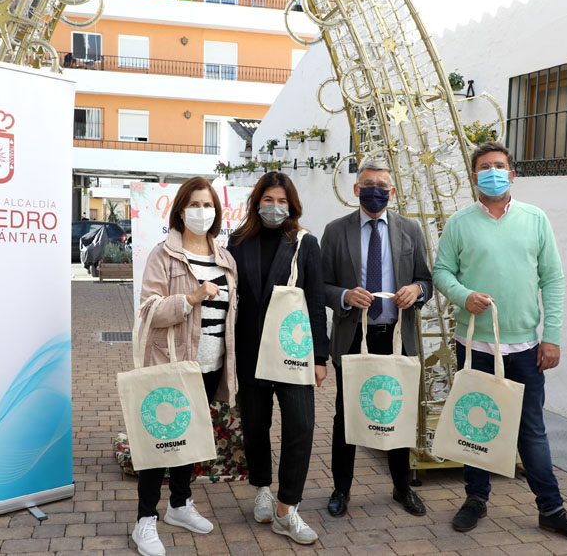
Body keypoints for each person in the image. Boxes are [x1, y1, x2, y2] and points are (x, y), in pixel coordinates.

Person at [432, 141, 567, 549]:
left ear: (512, 174)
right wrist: (463, 295)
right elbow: (441, 271)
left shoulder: (535, 219)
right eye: (485, 167)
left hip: (526, 347)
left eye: (500, 166)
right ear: (474, 177)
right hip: (474, 343)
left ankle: (552, 510)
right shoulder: (459, 223)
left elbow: (553, 280)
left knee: (532, 432)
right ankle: (476, 498)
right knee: (475, 422)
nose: (493, 172)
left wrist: (553, 337)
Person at [320, 159, 432, 518]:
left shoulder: (410, 230)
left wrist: (416, 290)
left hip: (396, 337)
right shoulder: (336, 231)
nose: (375, 191)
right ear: (356, 189)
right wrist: (343, 296)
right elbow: (319, 285)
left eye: (383, 186)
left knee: (396, 412)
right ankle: (341, 489)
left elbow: (426, 281)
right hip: (353, 337)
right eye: (368, 184)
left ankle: (402, 488)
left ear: (393, 192)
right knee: (346, 416)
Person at [134, 176, 238, 556]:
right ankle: (145, 520)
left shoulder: (225, 258)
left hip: (210, 365)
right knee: (161, 442)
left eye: (208, 205)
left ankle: (179, 504)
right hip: (173, 363)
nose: (202, 212)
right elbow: (148, 312)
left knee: (189, 438)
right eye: (194, 205)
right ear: (180, 210)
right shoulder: (164, 255)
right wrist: (192, 297)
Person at [228, 171, 328, 545]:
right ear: (257, 202)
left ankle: (288, 507)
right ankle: (262, 489)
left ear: (292, 205)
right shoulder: (238, 242)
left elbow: (316, 302)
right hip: (249, 351)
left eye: (282, 201)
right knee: (254, 425)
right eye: (268, 200)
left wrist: (320, 356)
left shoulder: (305, 243)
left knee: (300, 426)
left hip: (294, 349)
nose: (275, 207)